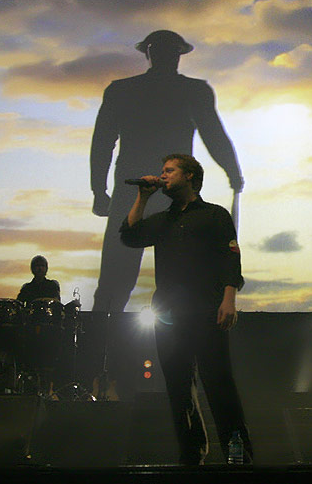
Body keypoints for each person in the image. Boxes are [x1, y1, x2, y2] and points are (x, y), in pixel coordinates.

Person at [90, 29, 243, 315]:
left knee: (123, 281)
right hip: (146, 192)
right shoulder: (189, 91)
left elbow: (102, 144)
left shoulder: (124, 90)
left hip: (153, 193)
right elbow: (214, 136)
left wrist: (99, 191)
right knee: (119, 281)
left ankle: (103, 345)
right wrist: (234, 175)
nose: (166, 57)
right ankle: (100, 346)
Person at [120, 154, 252, 465]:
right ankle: (192, 453)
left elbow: (230, 258)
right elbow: (129, 236)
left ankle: (238, 453)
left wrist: (229, 297)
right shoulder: (162, 221)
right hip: (168, 315)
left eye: (169, 170)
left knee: (218, 382)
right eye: (162, 170)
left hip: (208, 311)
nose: (162, 175)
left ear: (189, 175)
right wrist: (142, 196)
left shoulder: (215, 216)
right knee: (179, 387)